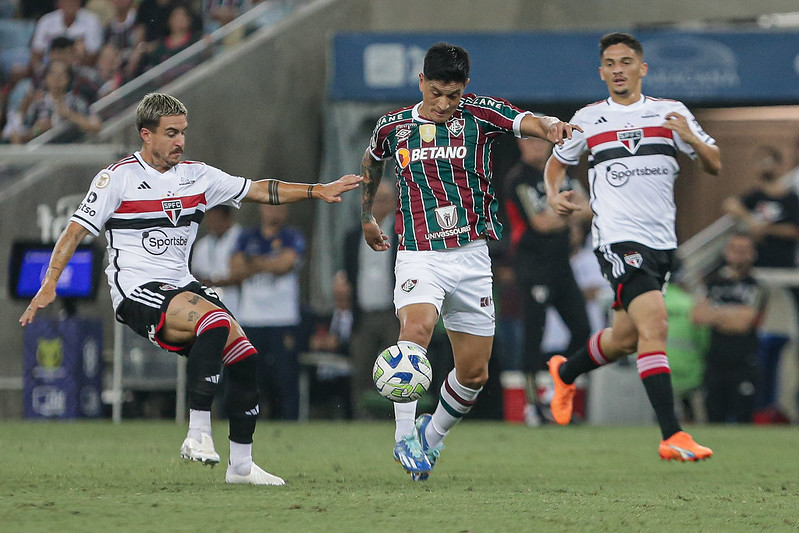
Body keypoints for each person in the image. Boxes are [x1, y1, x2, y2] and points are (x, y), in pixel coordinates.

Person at [19, 92, 361, 485]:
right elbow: (75, 231)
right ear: (146, 135)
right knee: (214, 323)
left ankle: (241, 467)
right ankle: (197, 433)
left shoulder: (198, 176)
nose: (180, 140)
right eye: (171, 133)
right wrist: (50, 283)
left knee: (244, 356)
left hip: (181, 286)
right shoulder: (118, 178)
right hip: (137, 289)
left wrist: (317, 190)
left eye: (183, 131)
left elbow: (258, 189)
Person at [360, 42, 578, 480]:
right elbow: (372, 161)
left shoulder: (480, 114)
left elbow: (528, 121)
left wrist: (554, 128)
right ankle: (404, 436)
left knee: (474, 373)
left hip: (473, 256)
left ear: (465, 89)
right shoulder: (393, 126)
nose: (443, 104)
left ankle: (431, 436)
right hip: (419, 253)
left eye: (452, 95)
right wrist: (366, 215)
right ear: (421, 81)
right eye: (436, 92)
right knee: (416, 330)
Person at [544, 32, 721, 461]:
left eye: (626, 61)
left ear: (642, 68)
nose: (618, 69)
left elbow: (714, 163)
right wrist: (553, 194)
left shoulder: (671, 112)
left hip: (662, 241)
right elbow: (557, 162)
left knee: (624, 338)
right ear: (601, 71)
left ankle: (565, 372)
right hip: (617, 239)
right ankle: (672, 435)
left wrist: (691, 139)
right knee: (654, 324)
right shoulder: (588, 117)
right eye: (610, 63)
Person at [504, 136, 592, 415]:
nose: (536, 146)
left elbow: (589, 207)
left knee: (582, 330)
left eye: (541, 141)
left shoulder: (560, 172)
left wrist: (562, 214)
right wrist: (571, 213)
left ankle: (559, 386)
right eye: (529, 141)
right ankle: (532, 405)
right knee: (534, 335)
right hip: (533, 266)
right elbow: (540, 223)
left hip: (562, 265)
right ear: (521, 145)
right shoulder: (519, 178)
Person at [230, 203, 305, 421]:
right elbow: (234, 269)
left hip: (283, 318)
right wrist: (270, 262)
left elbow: (285, 265)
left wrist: (252, 262)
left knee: (285, 376)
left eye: (279, 208)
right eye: (270, 207)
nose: (274, 212)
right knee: (251, 375)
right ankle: (246, 419)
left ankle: (290, 421)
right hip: (251, 318)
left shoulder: (292, 236)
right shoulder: (246, 235)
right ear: (262, 210)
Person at [693, 232, 766, 423]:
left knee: (743, 415)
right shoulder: (712, 282)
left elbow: (744, 323)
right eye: (735, 250)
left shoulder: (756, 286)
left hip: (744, 361)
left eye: (744, 251)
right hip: (715, 359)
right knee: (714, 415)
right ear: (726, 252)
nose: (739, 255)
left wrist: (716, 313)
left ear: (753, 254)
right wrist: (733, 313)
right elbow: (698, 316)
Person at [343, 179, 399, 419]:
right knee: (361, 370)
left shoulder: (402, 233)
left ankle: (395, 415)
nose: (377, 205)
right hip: (363, 314)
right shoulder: (353, 235)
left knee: (396, 370)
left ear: (394, 203)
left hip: (392, 314)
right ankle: (361, 417)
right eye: (372, 200)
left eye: (382, 200)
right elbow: (348, 273)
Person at [8, 59, 101, 143]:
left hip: (72, 153)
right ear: (47, 78)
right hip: (43, 155)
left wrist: (70, 115)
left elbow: (96, 126)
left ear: (67, 79)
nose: (56, 79)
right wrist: (37, 130)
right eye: (52, 74)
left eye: (61, 75)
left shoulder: (76, 102)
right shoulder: (38, 104)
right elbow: (19, 135)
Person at [190, 204, 242, 316]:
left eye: (217, 218)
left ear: (227, 218)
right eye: (210, 218)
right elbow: (194, 273)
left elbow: (242, 274)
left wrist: (217, 282)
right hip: (209, 300)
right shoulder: (202, 245)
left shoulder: (240, 238)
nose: (213, 222)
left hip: (237, 299)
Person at [29, 0, 103, 73]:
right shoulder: (46, 21)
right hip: (49, 70)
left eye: (73, 2)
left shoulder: (91, 20)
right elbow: (37, 52)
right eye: (65, 1)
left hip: (79, 70)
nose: (69, 4)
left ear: (79, 2)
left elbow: (93, 55)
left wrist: (77, 56)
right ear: (58, 3)